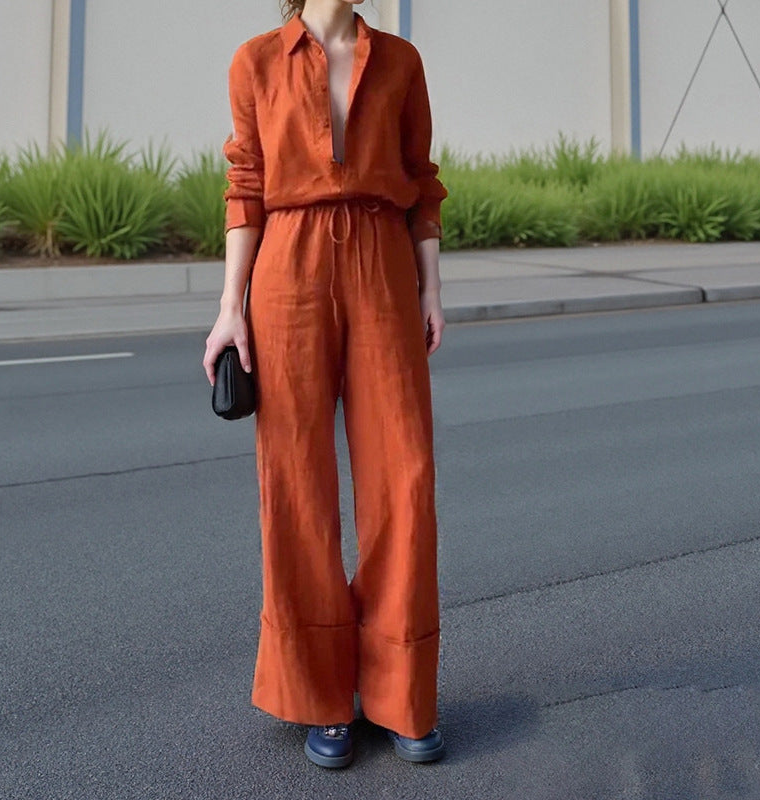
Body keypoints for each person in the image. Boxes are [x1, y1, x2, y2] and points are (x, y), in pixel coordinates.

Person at [202, 0, 448, 768]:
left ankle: (400, 691)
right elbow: (246, 186)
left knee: (402, 479)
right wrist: (228, 311)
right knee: (296, 484)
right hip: (289, 268)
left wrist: (432, 289)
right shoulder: (255, 60)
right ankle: (321, 696)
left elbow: (421, 180)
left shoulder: (401, 62)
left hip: (381, 258)